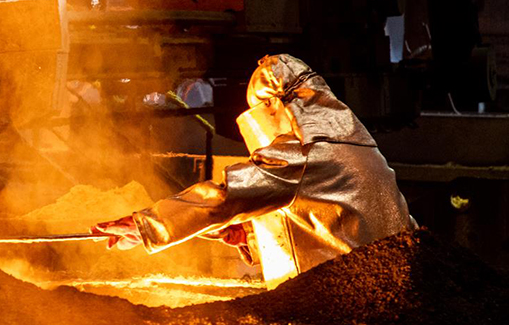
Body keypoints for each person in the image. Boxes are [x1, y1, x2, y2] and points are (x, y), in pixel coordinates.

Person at [91, 54, 417, 287]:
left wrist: (149, 226)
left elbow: (227, 197)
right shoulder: (354, 145)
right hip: (396, 289)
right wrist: (248, 235)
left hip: (350, 301)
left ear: (278, 108)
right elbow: (325, 220)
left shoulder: (304, 153)